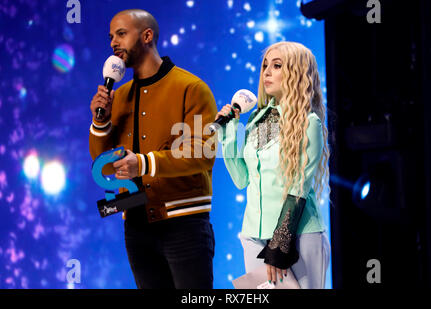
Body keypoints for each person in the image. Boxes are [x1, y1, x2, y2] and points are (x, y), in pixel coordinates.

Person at [89, 9, 217, 289]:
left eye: (121, 34)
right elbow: (105, 165)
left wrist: (144, 164)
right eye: (111, 36)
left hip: (184, 224)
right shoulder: (118, 97)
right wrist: (100, 121)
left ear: (147, 36)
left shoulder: (192, 88)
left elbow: (203, 154)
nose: (113, 43)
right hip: (135, 225)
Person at [217, 41, 331, 289]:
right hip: (253, 236)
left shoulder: (308, 122)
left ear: (296, 72)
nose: (267, 72)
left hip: (297, 236)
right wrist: (229, 131)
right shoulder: (257, 118)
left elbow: (298, 187)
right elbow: (241, 179)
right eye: (265, 65)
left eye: (277, 65)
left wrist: (279, 247)